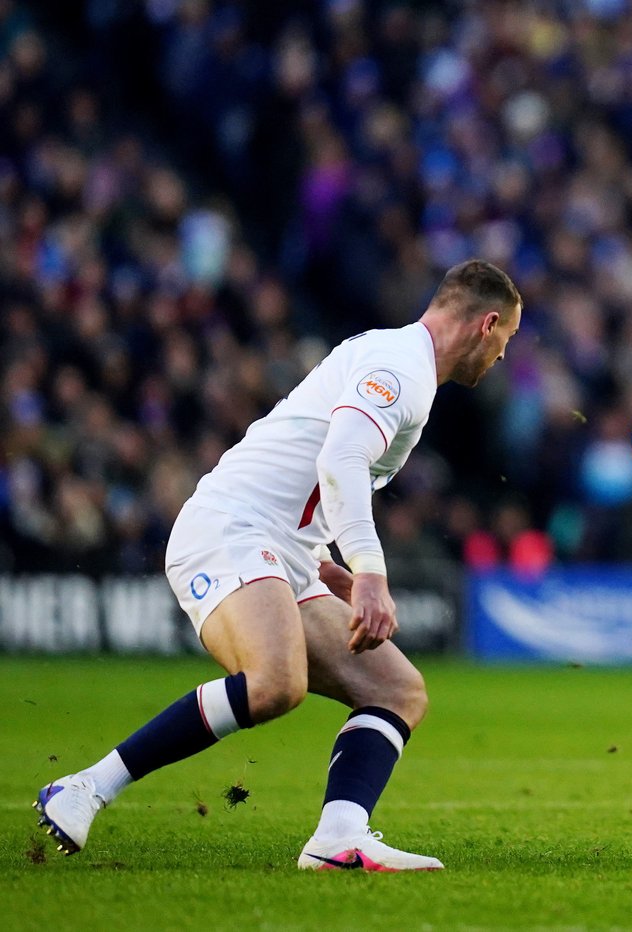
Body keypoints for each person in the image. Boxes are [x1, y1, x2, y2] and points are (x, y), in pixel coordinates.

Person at [34, 259, 522, 871]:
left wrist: (325, 561)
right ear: (487, 324)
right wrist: (370, 572)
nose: (503, 355)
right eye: (507, 339)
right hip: (232, 527)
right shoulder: (400, 368)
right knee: (274, 684)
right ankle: (85, 787)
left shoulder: (402, 363)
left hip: (283, 549)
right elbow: (340, 460)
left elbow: (309, 476)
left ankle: (339, 837)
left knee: (396, 690)